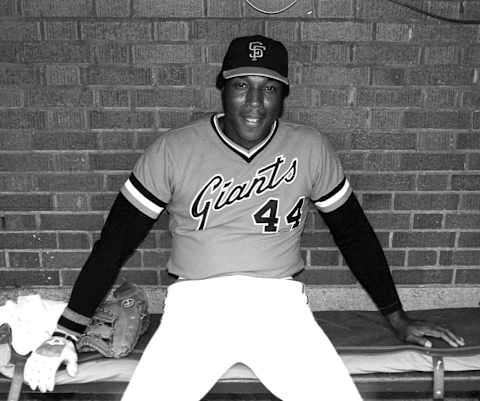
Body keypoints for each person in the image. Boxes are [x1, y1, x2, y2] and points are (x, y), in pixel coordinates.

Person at [23, 34, 464, 400]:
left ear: (283, 95)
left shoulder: (309, 148)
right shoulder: (173, 149)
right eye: (242, 86)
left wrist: (397, 318)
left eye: (269, 88)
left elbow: (355, 235)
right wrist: (66, 332)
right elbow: (115, 241)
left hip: (280, 308)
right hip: (196, 308)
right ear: (222, 88)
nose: (255, 102)